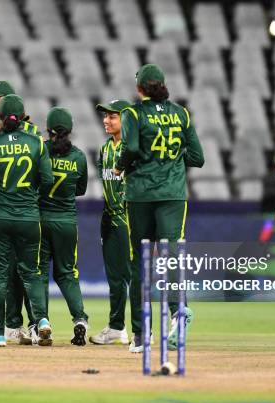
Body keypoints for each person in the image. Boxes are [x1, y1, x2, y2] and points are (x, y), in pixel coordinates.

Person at [114, 63, 204, 353]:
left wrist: (120, 167)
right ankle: (179, 314)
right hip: (173, 194)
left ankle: (141, 336)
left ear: (140, 87)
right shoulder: (181, 114)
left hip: (140, 193)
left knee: (140, 261)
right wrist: (171, 162)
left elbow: (129, 148)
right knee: (171, 258)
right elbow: (198, 157)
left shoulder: (132, 113)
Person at [0, 94, 54, 347]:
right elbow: (48, 180)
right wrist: (29, 195)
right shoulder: (37, 143)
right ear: (22, 117)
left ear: (0, 117)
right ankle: (40, 320)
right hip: (28, 217)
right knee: (32, 272)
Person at [36, 107, 89, 346]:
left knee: (38, 273)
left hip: (40, 219)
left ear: (48, 129)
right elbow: (81, 189)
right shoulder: (78, 156)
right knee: (68, 274)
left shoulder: (41, 151)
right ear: (70, 130)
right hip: (67, 221)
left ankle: (42, 322)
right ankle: (79, 319)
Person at [89, 99, 133, 346]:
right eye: (105, 116)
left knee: (132, 275)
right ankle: (117, 327)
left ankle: (141, 327)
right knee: (114, 277)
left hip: (129, 220)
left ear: (125, 119)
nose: (106, 120)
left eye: (112, 116)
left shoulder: (133, 148)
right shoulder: (105, 149)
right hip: (109, 219)